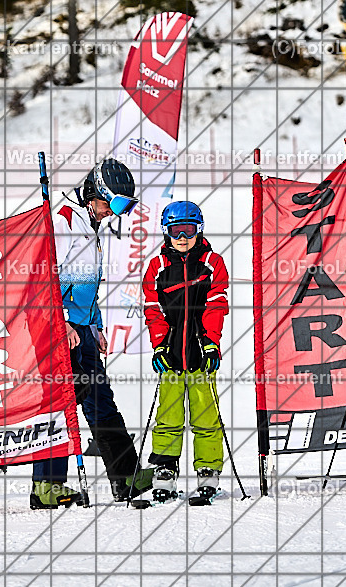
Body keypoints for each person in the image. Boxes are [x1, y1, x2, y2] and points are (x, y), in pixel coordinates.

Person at [30, 158, 155, 509]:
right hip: (58, 328)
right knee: (60, 405)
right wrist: (63, 321)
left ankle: (125, 476)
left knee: (100, 401)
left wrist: (95, 323)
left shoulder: (91, 224)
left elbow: (86, 284)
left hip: (82, 328)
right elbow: (42, 277)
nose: (113, 213)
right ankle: (46, 486)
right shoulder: (63, 221)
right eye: (110, 203)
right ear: (92, 193)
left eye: (121, 207)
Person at [141, 201, 230, 502]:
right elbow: (153, 311)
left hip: (201, 354)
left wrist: (211, 341)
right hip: (172, 356)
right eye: (175, 231)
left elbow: (217, 305)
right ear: (166, 232)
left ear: (198, 230)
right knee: (168, 415)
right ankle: (165, 470)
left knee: (206, 415)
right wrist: (159, 345)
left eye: (188, 230)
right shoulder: (157, 267)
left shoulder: (211, 263)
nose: (182, 237)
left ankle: (208, 471)